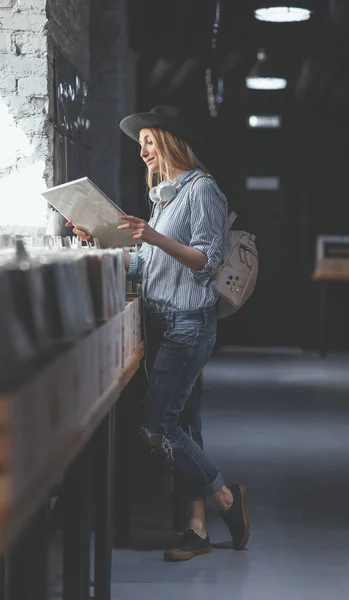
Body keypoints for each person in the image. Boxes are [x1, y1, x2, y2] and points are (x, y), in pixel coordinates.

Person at [69, 106, 249, 562]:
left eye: (149, 141)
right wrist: (97, 239)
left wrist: (153, 237)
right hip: (165, 322)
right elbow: (146, 266)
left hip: (187, 325)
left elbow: (206, 262)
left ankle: (226, 498)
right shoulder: (165, 199)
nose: (143, 151)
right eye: (141, 143)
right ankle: (197, 530)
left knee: (155, 426)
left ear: (170, 142)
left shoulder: (203, 190)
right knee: (184, 423)